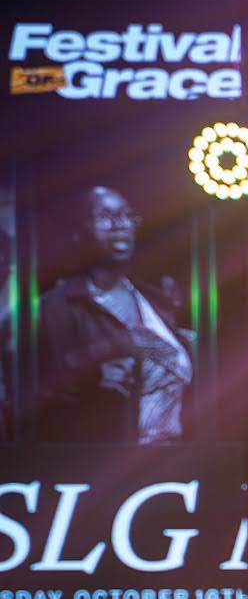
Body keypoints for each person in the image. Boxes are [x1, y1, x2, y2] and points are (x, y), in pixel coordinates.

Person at [36, 185, 194, 443]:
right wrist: (93, 378)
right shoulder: (56, 307)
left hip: (172, 455)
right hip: (103, 458)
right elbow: (39, 394)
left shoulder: (155, 302)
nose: (120, 224)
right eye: (105, 216)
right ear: (79, 232)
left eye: (126, 215)